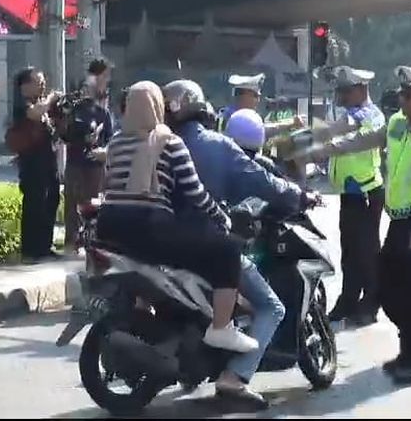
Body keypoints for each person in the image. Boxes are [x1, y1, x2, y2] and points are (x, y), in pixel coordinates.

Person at [164, 79, 316, 408]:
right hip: (208, 244)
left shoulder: (158, 144)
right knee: (272, 307)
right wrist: (301, 196)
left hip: (161, 243)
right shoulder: (217, 146)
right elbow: (265, 183)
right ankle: (235, 377)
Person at [304, 66, 411, 382]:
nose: (402, 100)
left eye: (408, 95)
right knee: (387, 286)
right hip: (400, 219)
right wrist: (323, 148)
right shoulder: (398, 122)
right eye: (402, 94)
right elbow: (365, 139)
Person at [98, 80, 258, 355]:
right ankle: (221, 328)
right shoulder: (169, 141)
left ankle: (149, 317)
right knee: (227, 251)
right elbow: (195, 192)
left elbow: (111, 182)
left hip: (109, 225)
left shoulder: (115, 143)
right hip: (148, 226)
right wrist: (222, 218)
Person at [320, 66, 386, 326]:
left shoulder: (370, 115)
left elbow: (346, 132)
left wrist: (321, 140)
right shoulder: (349, 114)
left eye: (346, 92)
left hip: (366, 191)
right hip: (350, 193)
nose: (341, 97)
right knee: (350, 252)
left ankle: (370, 304)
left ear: (361, 89)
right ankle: (348, 300)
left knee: (367, 253)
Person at [63, 58, 114, 255]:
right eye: (104, 77)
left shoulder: (103, 113)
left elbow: (110, 140)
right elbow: (65, 135)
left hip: (95, 167)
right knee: (72, 206)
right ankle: (71, 243)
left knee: (94, 205)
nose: (106, 82)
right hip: (75, 164)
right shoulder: (73, 109)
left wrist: (104, 151)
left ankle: (92, 244)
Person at [12, 67, 62, 265]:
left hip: (48, 159)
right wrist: (51, 99)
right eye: (38, 82)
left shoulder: (41, 103)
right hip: (31, 162)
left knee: (52, 199)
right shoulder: (22, 104)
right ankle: (31, 250)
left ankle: (45, 246)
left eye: (43, 82)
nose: (42, 85)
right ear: (25, 86)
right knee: (34, 203)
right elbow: (35, 113)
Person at [218, 73, 303, 137]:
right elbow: (260, 130)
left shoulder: (242, 115)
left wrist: (291, 122)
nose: (258, 100)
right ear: (243, 95)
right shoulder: (229, 117)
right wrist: (291, 124)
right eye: (255, 96)